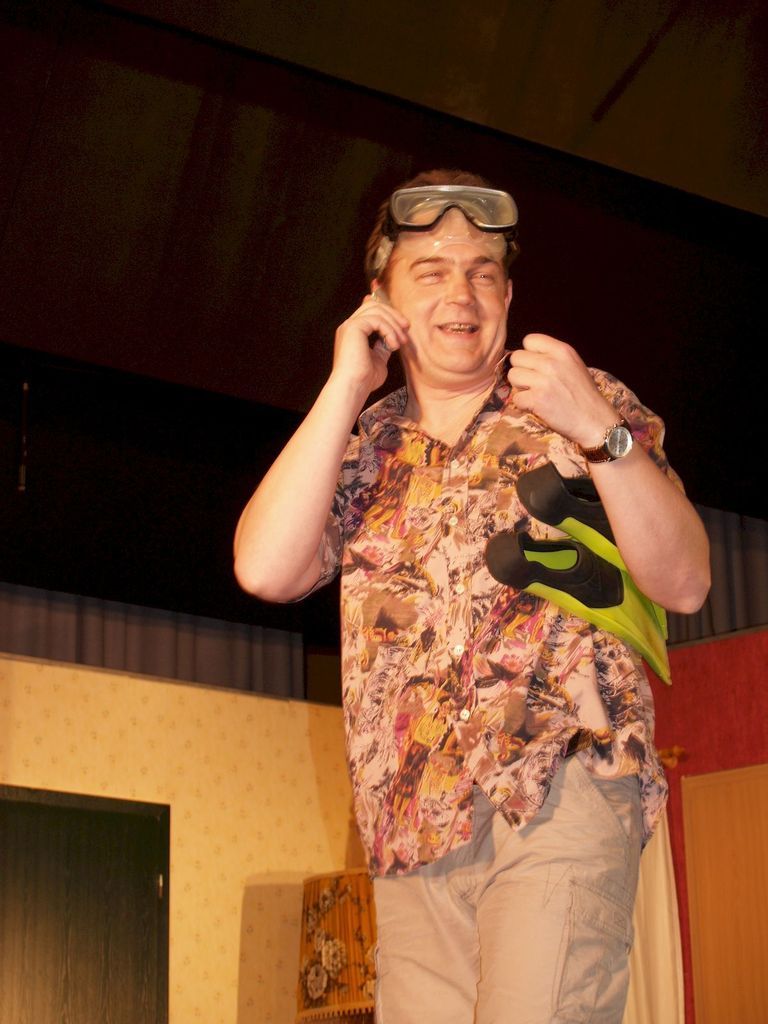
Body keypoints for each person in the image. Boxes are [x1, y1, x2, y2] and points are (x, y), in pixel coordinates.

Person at [233, 169, 710, 1023]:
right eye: (431, 272)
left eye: (483, 272)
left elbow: (687, 580)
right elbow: (265, 569)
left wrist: (600, 430)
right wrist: (346, 387)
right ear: (381, 301)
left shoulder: (578, 405)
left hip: (558, 784)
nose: (462, 293)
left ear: (508, 296)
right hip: (410, 824)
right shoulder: (362, 447)